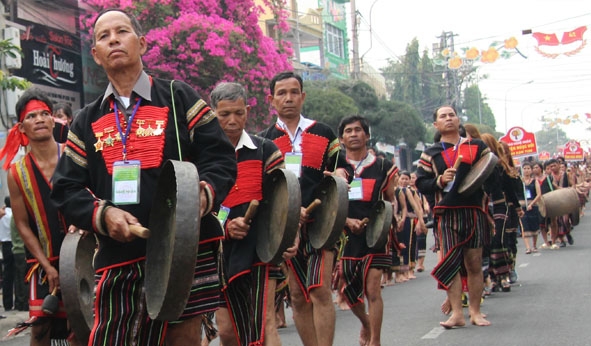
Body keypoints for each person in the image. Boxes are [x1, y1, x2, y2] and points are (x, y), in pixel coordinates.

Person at [50, 9, 236, 346]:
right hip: (118, 254)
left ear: (142, 42)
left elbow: (220, 159)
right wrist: (102, 215)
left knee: (181, 338)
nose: (113, 40)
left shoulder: (179, 97)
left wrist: (200, 198)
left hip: (184, 249)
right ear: (95, 54)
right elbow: (65, 187)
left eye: (122, 31)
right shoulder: (85, 120)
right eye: (103, 37)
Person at [209, 82, 296, 346]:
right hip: (220, 251)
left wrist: (290, 237)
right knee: (226, 331)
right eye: (224, 114)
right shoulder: (203, 155)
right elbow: (197, 206)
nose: (232, 121)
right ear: (213, 114)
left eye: (238, 113)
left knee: (265, 323)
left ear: (247, 111)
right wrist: (224, 228)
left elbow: (283, 201)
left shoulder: (265, 150)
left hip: (261, 248)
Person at [258, 71, 342, 346]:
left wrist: (342, 172)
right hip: (286, 229)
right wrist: (289, 215)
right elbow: (266, 190)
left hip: (322, 224)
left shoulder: (325, 133)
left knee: (319, 290)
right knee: (297, 296)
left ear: (303, 96)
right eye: (281, 93)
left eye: (294, 92)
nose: (289, 98)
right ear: (271, 100)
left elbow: (341, 171)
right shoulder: (264, 142)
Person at [2, 89, 76, 345]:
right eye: (32, 116)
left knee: (81, 326)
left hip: (81, 256)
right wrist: (46, 265)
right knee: (40, 327)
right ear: (22, 127)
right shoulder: (16, 173)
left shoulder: (72, 155)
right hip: (43, 263)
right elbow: (22, 224)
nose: (41, 119)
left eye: (45, 113)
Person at [416, 105, 492, 328]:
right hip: (447, 214)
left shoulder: (476, 146)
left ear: (459, 120)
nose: (448, 119)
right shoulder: (430, 154)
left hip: (473, 210)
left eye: (452, 115)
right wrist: (439, 181)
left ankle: (476, 312)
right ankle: (457, 313)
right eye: (443, 116)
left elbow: (489, 171)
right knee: (450, 263)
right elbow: (421, 183)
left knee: (474, 263)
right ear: (436, 125)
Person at [336, 115, 398, 346]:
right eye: (348, 131)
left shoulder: (383, 166)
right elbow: (331, 203)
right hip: (345, 235)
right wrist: (347, 221)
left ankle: (375, 341)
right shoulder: (335, 167)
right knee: (347, 289)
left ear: (367, 135)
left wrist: (393, 219)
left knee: (373, 289)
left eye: (358, 130)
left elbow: (390, 199)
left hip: (376, 234)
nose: (354, 134)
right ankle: (366, 322)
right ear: (342, 138)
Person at [520, 162, 543, 253]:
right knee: (524, 226)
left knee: (534, 226)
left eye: (528, 168)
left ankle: (534, 245)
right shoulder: (519, 181)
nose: (526, 170)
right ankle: (527, 247)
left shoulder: (534, 181)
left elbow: (539, 194)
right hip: (522, 207)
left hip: (533, 206)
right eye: (524, 168)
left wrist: (531, 204)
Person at [1, 197, 15, 312]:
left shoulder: (3, 215)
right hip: (14, 244)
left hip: (4, 245)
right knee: (18, 274)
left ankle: (7, 303)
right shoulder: (13, 215)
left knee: (7, 274)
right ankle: (20, 301)